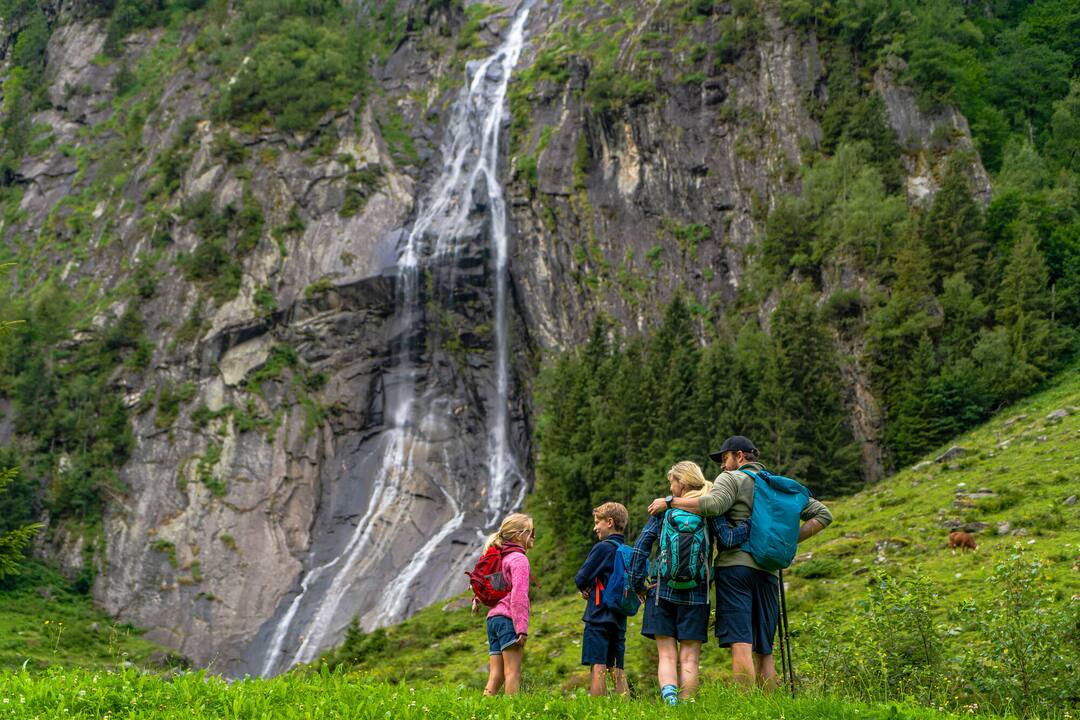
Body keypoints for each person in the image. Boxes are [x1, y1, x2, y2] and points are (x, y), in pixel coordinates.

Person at [648, 436, 833, 692]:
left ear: (739, 457)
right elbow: (824, 514)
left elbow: (713, 505)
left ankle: (745, 705)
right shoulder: (777, 486)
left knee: (741, 640)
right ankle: (769, 706)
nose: (723, 466)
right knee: (765, 647)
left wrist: (671, 502)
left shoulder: (732, 478)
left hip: (736, 568)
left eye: (725, 459)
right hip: (768, 571)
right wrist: (785, 540)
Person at [629, 461, 750, 704]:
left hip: (661, 589)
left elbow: (641, 547)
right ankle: (687, 707)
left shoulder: (664, 509)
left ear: (681, 484)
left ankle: (670, 701)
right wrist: (749, 525)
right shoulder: (708, 508)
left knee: (666, 655)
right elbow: (727, 538)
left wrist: (638, 584)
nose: (670, 487)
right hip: (697, 593)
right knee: (690, 658)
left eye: (672, 482)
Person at [573, 502, 630, 696]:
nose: (595, 527)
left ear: (610, 522)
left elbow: (581, 578)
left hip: (599, 614)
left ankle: (598, 712)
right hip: (619, 615)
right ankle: (626, 711)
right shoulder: (626, 550)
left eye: (598, 522)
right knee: (617, 668)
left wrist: (584, 588)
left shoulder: (602, 548)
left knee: (598, 665)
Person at [481, 512, 534, 696]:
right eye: (531, 531)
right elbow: (518, 596)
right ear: (519, 535)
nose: (533, 536)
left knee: (496, 675)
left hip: (493, 620)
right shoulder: (520, 560)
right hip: (508, 620)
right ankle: (510, 714)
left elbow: (497, 591)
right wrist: (521, 628)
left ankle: (481, 711)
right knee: (512, 673)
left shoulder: (498, 558)